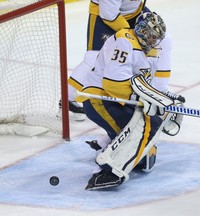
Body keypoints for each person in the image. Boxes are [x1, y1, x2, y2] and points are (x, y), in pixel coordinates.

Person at [76, 11, 184, 190]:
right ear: (142, 31)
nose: (154, 41)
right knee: (139, 133)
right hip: (99, 98)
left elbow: (143, 84)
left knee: (146, 158)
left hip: (116, 100)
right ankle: (107, 169)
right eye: (152, 36)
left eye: (157, 38)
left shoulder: (146, 50)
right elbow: (113, 84)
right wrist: (143, 100)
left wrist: (164, 98)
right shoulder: (125, 42)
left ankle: (108, 142)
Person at [65, 0, 155, 121]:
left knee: (155, 41)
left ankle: (152, 92)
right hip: (105, 17)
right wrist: (128, 34)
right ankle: (67, 100)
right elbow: (108, 14)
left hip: (134, 13)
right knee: (93, 59)